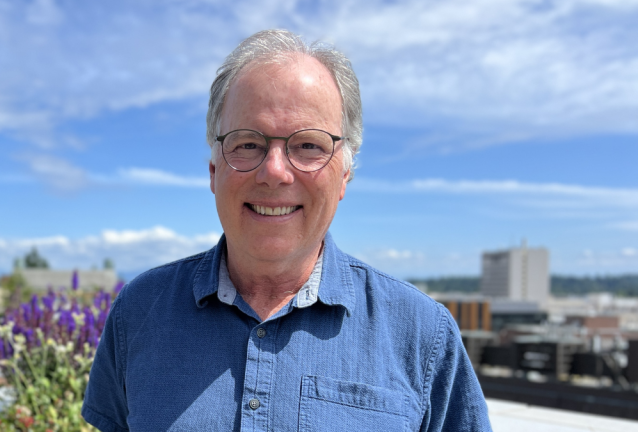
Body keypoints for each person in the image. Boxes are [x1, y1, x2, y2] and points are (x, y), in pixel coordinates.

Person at [82, 29, 491, 431]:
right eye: (247, 144)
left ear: (344, 174)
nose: (274, 172)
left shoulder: (422, 335)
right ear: (213, 171)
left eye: (308, 145)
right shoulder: (139, 312)